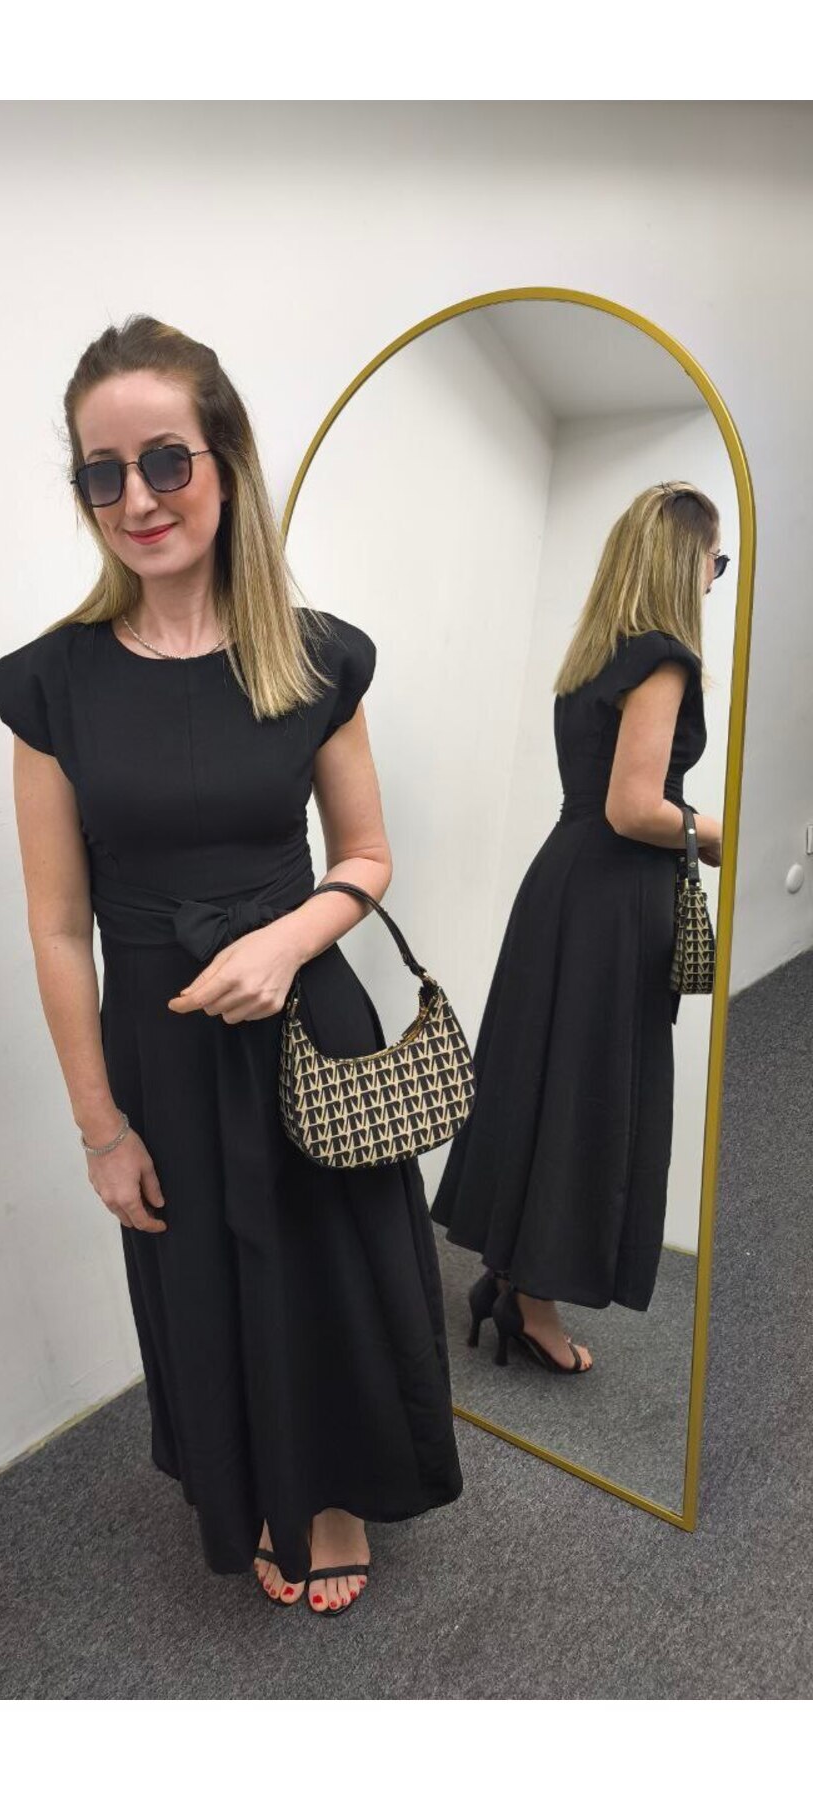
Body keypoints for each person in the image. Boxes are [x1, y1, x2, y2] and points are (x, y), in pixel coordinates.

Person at [0, 314, 463, 1616]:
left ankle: (338, 1490)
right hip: (162, 1045)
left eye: (165, 460)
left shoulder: (316, 655)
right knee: (206, 1279)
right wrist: (99, 1129)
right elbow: (55, 925)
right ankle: (256, 1487)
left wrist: (286, 940)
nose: (137, 499)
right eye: (103, 472)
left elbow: (366, 856)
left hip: (305, 1017)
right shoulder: (52, 687)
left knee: (333, 1270)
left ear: (227, 463)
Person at [429, 481, 726, 1374]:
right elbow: (635, 807)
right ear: (685, 559)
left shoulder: (594, 658)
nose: (714, 579)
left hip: (563, 884)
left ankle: (514, 1280)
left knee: (547, 1082)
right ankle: (532, 1302)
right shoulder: (666, 658)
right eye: (715, 562)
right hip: (612, 898)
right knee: (588, 1094)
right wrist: (716, 833)